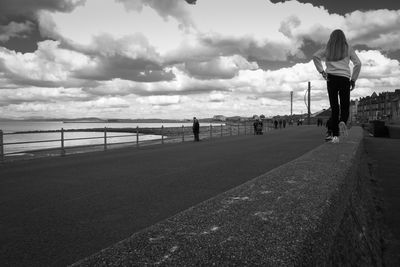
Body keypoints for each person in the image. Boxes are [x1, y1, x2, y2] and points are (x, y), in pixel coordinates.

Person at [313, 29, 361, 143]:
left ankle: (335, 136)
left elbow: (315, 56)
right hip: (344, 79)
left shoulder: (328, 48)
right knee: (345, 106)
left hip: (331, 79)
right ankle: (343, 121)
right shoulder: (348, 48)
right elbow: (358, 63)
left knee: (334, 107)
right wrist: (353, 79)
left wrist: (322, 72)